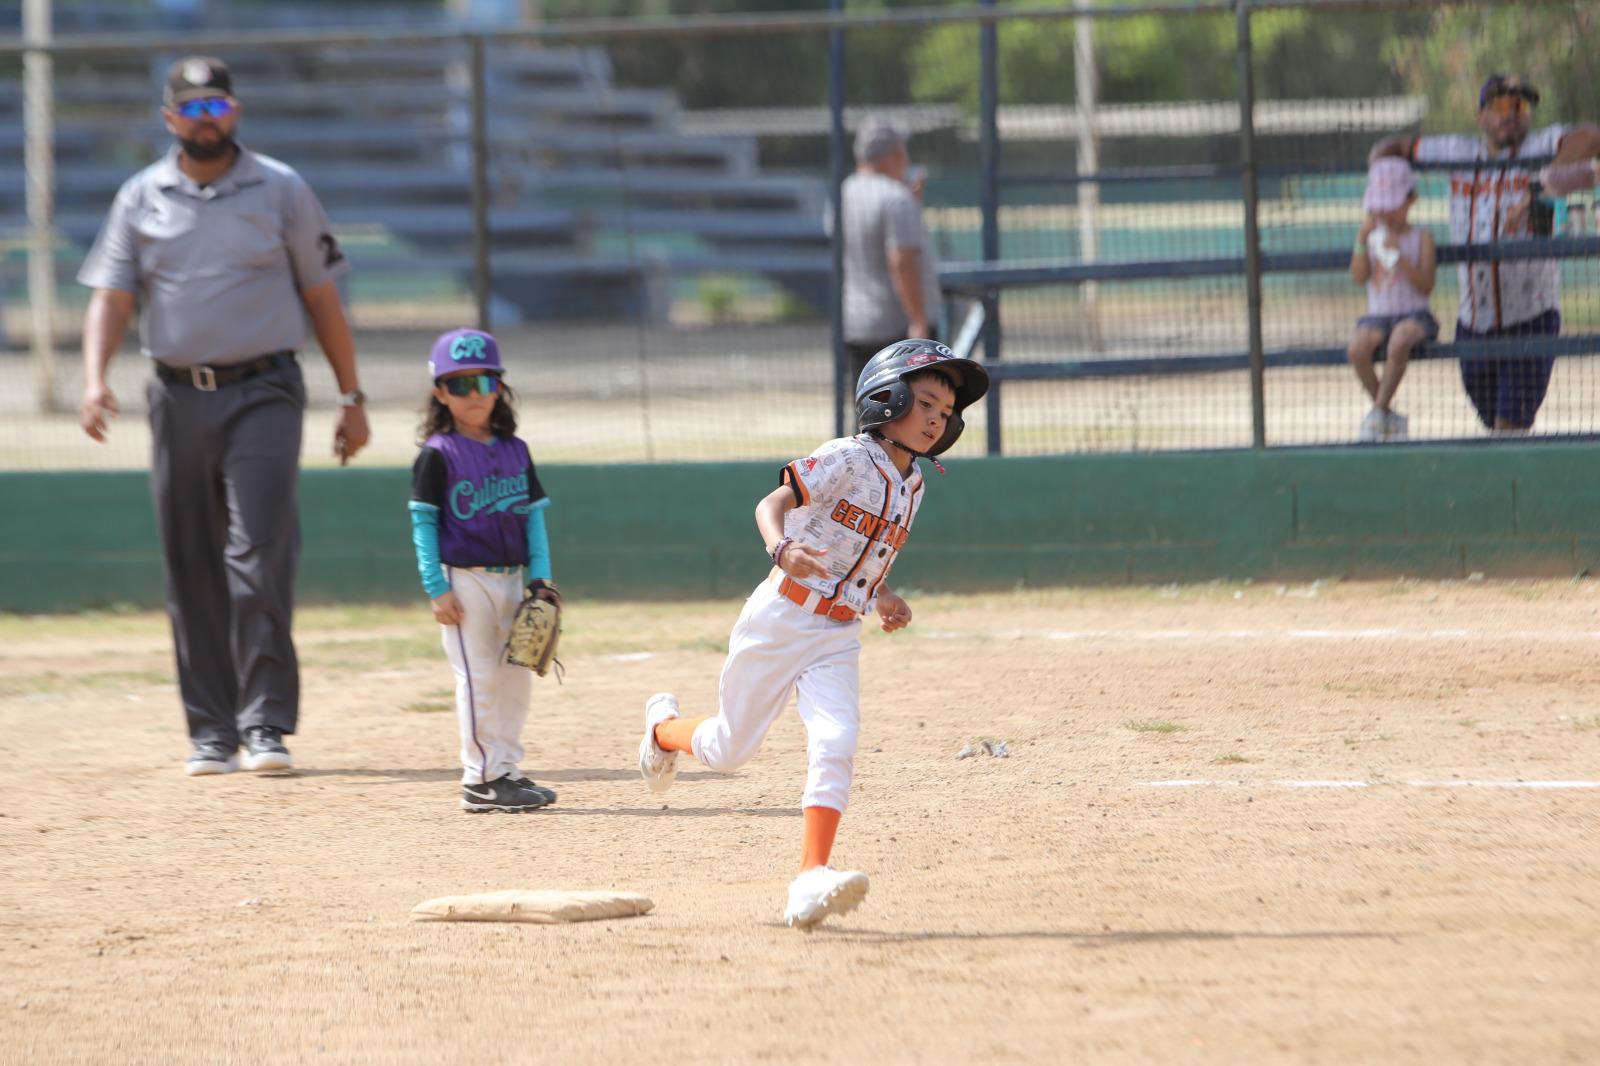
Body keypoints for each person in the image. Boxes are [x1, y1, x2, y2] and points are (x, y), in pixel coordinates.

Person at [77, 55, 369, 776]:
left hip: (265, 389)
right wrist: (93, 380)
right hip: (175, 395)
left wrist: (351, 396)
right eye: (193, 109)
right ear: (170, 118)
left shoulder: (281, 189)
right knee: (191, 560)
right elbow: (112, 297)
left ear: (235, 112)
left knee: (258, 552)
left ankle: (265, 723)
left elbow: (322, 296)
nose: (207, 121)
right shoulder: (141, 196)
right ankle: (212, 731)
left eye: (219, 107)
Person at [635, 338, 989, 929]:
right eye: (924, 401)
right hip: (781, 617)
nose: (936, 419)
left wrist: (881, 594)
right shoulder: (848, 459)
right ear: (886, 397)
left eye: (946, 413)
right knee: (728, 751)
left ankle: (809, 878)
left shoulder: (914, 485)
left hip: (837, 633)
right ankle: (663, 730)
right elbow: (770, 502)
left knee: (836, 738)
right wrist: (781, 547)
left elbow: (870, 555)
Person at [1371, 74, 1600, 433]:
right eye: (1500, 106)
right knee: (1495, 428)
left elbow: (1590, 138)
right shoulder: (1457, 153)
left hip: (1531, 320)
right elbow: (1390, 149)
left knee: (1508, 427)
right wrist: (1382, 194)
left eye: (1519, 106)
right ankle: (1518, 484)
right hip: (1474, 324)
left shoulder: (1541, 147)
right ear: (1481, 116)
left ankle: (1514, 484)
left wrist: (1541, 183)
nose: (1511, 114)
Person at [409, 328, 560, 813]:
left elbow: (533, 517)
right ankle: (480, 777)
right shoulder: (437, 453)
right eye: (459, 384)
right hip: (464, 576)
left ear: (499, 387)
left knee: (516, 674)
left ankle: (506, 768)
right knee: (478, 677)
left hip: (514, 576)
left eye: (483, 382)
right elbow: (423, 524)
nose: (473, 395)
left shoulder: (516, 449)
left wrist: (542, 579)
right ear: (440, 393)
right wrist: (436, 587)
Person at [842, 119, 942, 385]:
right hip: (899, 330)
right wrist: (918, 320)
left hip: (855, 323)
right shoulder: (896, 198)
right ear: (896, 153)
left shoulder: (843, 192)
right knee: (908, 417)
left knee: (868, 413)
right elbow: (902, 262)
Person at [1347, 157, 1438, 442]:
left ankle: (1377, 414)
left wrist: (1399, 256)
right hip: (1378, 315)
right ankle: (1385, 413)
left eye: (1391, 205)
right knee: (1357, 348)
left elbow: (1426, 286)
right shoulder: (1371, 238)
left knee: (1400, 339)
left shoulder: (1421, 237)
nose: (1384, 213)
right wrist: (1362, 242)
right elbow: (1359, 277)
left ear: (1411, 200)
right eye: (1378, 206)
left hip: (1414, 314)